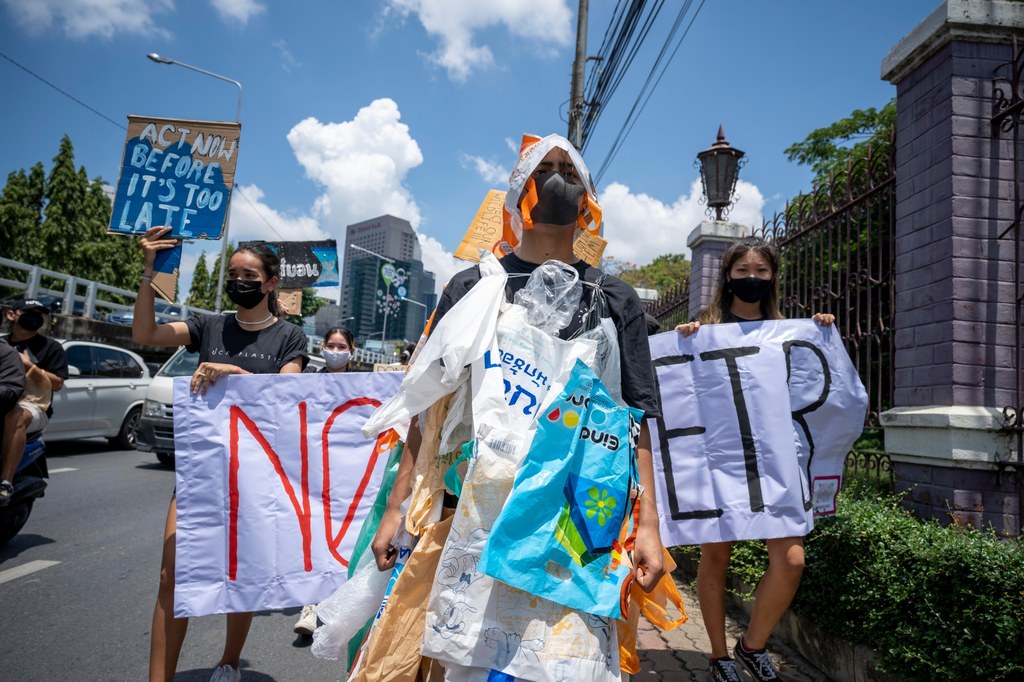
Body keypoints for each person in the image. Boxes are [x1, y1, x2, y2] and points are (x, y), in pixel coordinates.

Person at [367, 134, 666, 677]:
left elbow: (638, 417)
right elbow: (428, 412)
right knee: (473, 664)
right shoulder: (473, 286)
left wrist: (649, 527)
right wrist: (396, 507)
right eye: (542, 169)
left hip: (574, 527)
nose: (556, 180)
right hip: (477, 519)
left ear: (588, 199)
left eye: (568, 171)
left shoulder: (616, 299)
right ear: (516, 190)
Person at [133, 227, 309, 682]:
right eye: (233, 273)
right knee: (173, 578)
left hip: (256, 481)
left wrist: (231, 372)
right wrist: (149, 272)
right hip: (200, 475)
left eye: (248, 274)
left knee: (243, 579)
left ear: (270, 283)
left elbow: (285, 397)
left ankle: (229, 662)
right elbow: (146, 331)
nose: (238, 281)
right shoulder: (207, 326)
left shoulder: (290, 339)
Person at [676, 238, 834, 682]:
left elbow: (810, 388)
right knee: (716, 558)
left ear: (773, 278)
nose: (752, 279)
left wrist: (820, 331)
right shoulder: (704, 331)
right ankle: (717, 655)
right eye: (743, 270)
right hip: (721, 458)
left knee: (791, 560)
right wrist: (685, 341)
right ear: (727, 276)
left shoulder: (790, 334)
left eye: (761, 271)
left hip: (774, 461)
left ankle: (752, 646)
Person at [292, 326, 357, 636]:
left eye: (341, 345)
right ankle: (311, 605)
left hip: (348, 474)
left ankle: (333, 600)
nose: (334, 350)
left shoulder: (365, 387)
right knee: (315, 536)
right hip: (315, 471)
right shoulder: (310, 383)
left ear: (351, 351)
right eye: (330, 345)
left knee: (340, 538)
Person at [0, 298, 68, 506]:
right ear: (11, 315)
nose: (35, 317)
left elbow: (57, 384)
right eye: (29, 312)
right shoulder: (3, 344)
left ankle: (5, 482)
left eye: (39, 314)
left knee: (16, 416)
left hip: (34, 405)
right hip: (4, 398)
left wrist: (31, 367)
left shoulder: (51, 347)